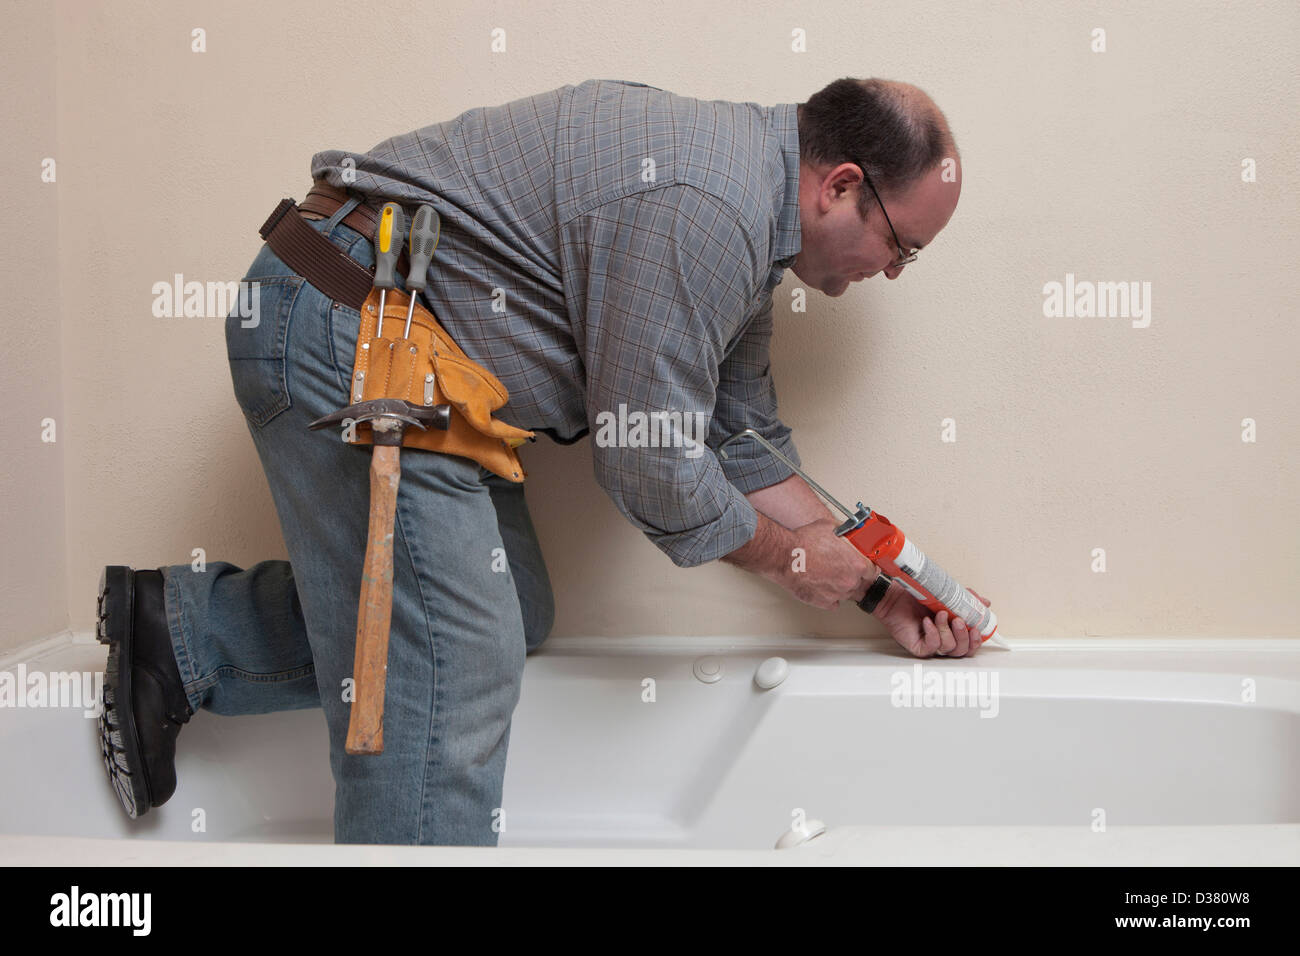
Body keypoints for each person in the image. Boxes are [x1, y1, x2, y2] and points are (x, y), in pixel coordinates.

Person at [95, 76, 991, 846]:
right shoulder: (704, 206)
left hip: (422, 366)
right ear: (840, 185)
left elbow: (739, 439)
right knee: (459, 656)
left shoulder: (747, 238)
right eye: (903, 246)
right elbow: (650, 463)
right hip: (343, 321)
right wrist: (788, 559)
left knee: (509, 608)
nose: (896, 270)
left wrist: (881, 587)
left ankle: (181, 633)